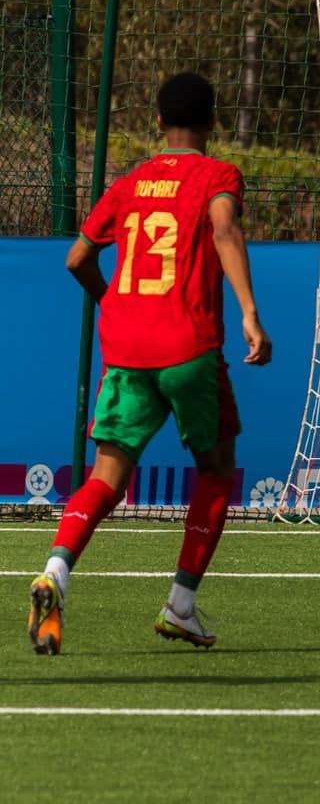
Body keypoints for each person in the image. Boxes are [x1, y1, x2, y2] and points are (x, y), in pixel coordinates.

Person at [27, 72, 271, 654]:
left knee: (106, 475)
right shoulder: (217, 175)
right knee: (214, 469)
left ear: (157, 122)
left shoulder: (131, 181)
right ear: (212, 123)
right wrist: (250, 313)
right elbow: (224, 228)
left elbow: (77, 257)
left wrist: (112, 300)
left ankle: (54, 572)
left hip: (127, 350)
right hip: (188, 348)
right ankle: (180, 605)